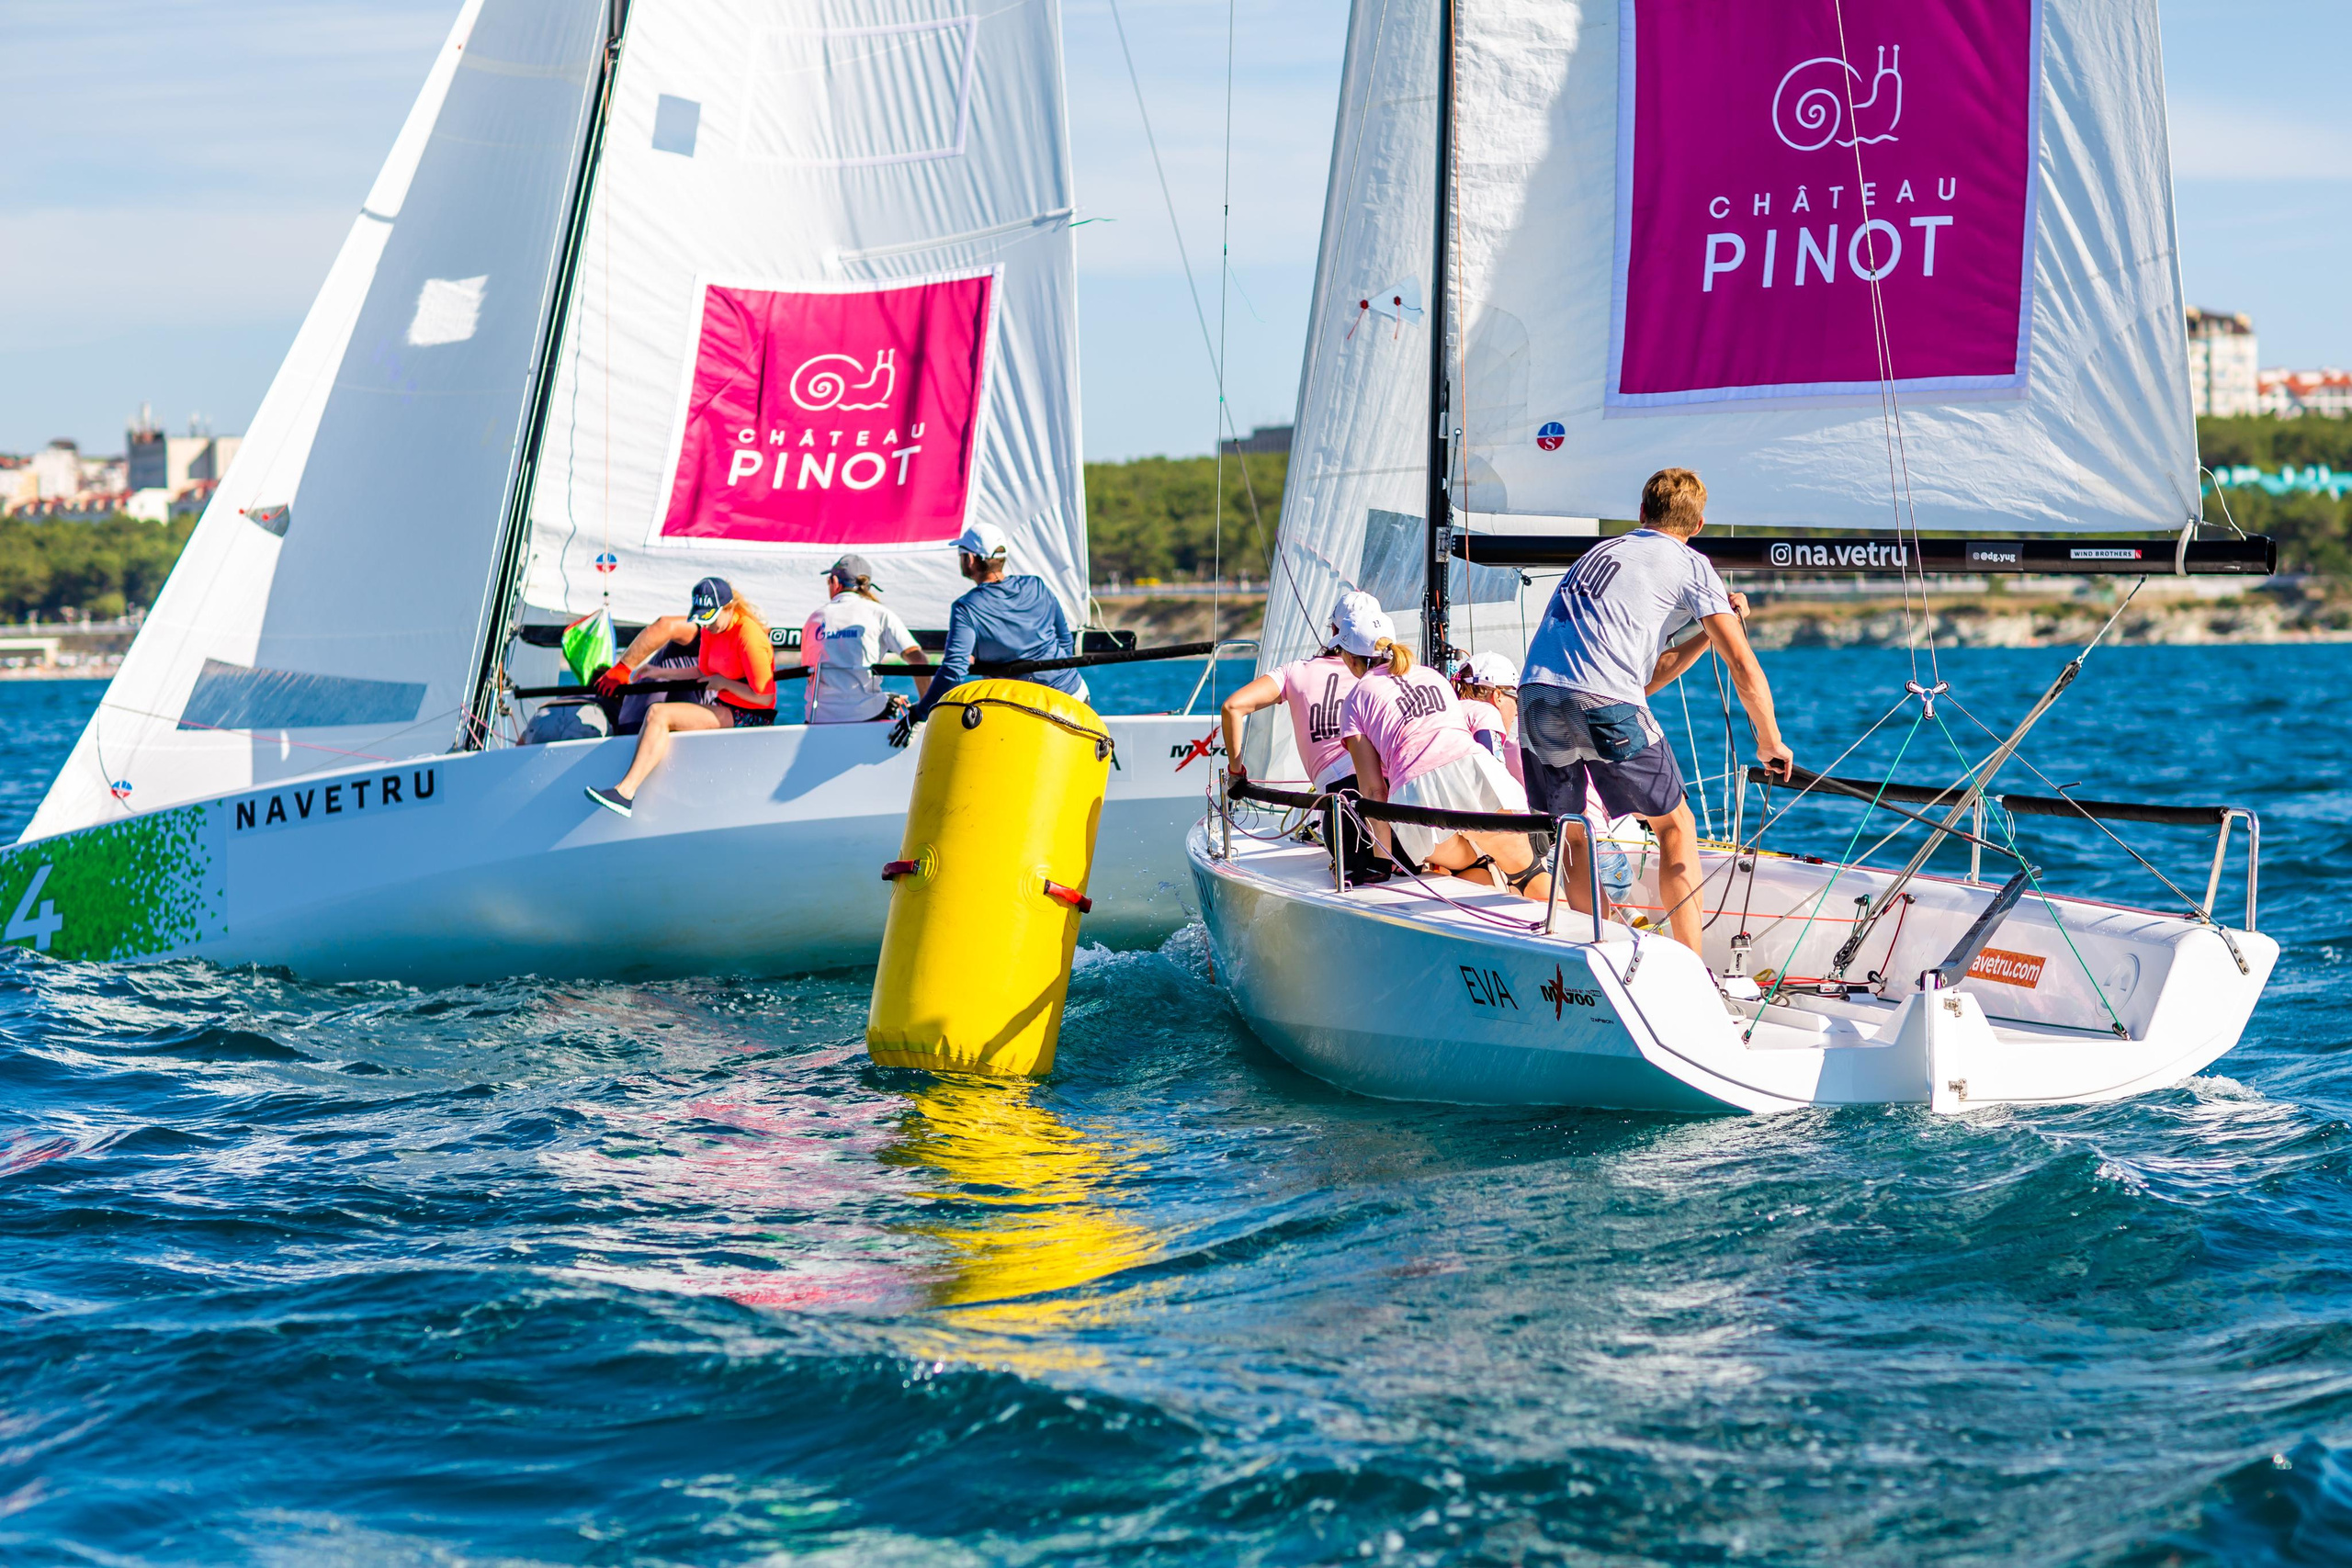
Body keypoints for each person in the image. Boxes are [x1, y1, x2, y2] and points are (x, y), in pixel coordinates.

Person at [1518, 468, 1792, 953]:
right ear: (1699, 526)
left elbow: (1646, 678)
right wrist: (1769, 740)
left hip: (1536, 694)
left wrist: (1705, 632)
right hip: (1603, 697)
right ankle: (1691, 969)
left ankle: (1592, 953)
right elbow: (1743, 664)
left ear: (1642, 513)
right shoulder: (1691, 564)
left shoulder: (1598, 553)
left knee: (1575, 831)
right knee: (1676, 826)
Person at [1335, 596, 1549, 898]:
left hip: (1414, 795)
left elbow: (1373, 792)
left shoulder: (1355, 699)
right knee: (1527, 872)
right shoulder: (1432, 676)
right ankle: (1571, 932)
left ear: (1350, 658)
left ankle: (1480, 888)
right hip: (1472, 771)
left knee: (1465, 865)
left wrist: (1381, 864)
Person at [1219, 592, 1385, 882]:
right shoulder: (1387, 675)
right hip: (1396, 797)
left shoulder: (1294, 672)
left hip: (1341, 807)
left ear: (1334, 631)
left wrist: (1237, 774)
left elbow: (1232, 708)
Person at [582, 576, 775, 818]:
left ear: (729, 608)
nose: (708, 625)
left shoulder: (749, 635)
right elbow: (703, 671)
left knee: (659, 714)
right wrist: (660, 671)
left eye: (712, 618)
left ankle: (625, 793)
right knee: (658, 716)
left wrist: (724, 683)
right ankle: (633, 787)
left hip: (751, 715)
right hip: (724, 706)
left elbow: (765, 698)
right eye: (704, 619)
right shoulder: (710, 631)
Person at [890, 522, 1085, 746]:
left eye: (961, 554)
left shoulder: (966, 608)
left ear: (970, 559)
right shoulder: (1037, 585)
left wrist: (919, 713)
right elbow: (1064, 641)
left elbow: (954, 670)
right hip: (1074, 695)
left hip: (1026, 710)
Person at [800, 554, 930, 724]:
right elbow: (918, 659)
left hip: (818, 717)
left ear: (835, 582)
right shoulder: (879, 613)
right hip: (867, 716)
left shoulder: (814, 619)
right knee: (887, 703)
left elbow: (809, 672)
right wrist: (924, 712)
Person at [1450, 650, 1523, 784]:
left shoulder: (1451, 709)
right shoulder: (1487, 713)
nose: (1517, 712)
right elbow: (1496, 778)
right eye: (1517, 701)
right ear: (1498, 696)